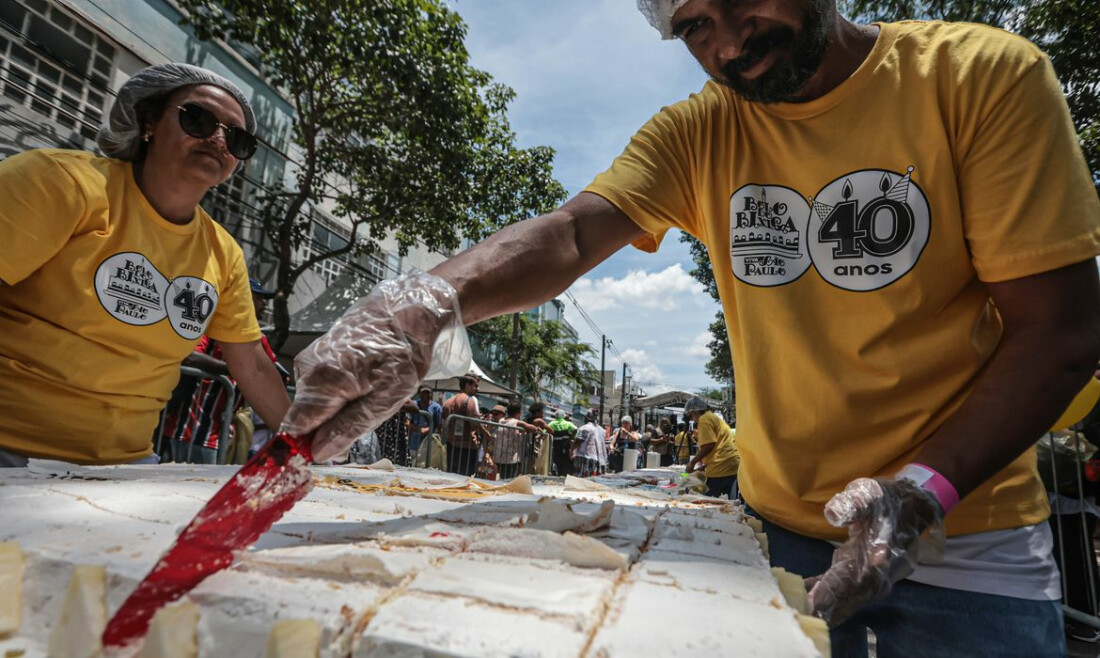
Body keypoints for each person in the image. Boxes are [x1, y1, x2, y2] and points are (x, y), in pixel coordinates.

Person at [282, 1, 1100, 653]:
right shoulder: (700, 130)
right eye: (694, 26)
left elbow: (1058, 333)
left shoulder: (979, 78)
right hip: (774, 538)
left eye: (740, 1)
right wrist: (421, 304)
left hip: (968, 543)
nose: (729, 44)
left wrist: (921, 494)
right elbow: (570, 235)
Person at [0, 63, 290, 468]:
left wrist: (311, 445)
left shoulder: (224, 253)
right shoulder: (62, 182)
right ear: (149, 122)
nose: (218, 139)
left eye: (237, 139)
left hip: (128, 467)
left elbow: (254, 365)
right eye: (199, 118)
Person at [169, 277, 285, 464]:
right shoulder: (210, 325)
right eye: (259, 297)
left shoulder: (256, 337)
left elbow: (273, 372)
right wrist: (237, 370)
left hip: (223, 433)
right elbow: (190, 356)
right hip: (193, 431)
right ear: (244, 298)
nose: (264, 303)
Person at [683, 397, 740, 499]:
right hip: (732, 462)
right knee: (730, 503)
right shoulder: (713, 417)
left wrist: (692, 462)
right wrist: (703, 466)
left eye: (691, 415)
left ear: (695, 412)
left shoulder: (704, 419)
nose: (692, 419)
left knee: (707, 500)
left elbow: (709, 445)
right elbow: (718, 444)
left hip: (721, 464)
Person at [441, 374, 490, 476]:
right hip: (467, 447)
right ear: (467, 385)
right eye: (475, 386)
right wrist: (485, 433)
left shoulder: (448, 402)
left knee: (451, 475)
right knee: (466, 478)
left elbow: (443, 424)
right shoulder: (469, 400)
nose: (478, 389)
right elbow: (475, 422)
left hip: (451, 445)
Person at [407, 385, 443, 456]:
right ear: (419, 394)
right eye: (423, 393)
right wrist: (420, 430)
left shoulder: (436, 408)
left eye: (428, 393)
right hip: (414, 443)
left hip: (429, 443)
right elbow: (407, 422)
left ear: (431, 394)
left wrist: (439, 440)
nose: (425, 395)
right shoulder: (413, 405)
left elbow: (439, 426)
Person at [574, 409, 608, 477]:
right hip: (600, 460)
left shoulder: (585, 428)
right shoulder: (602, 430)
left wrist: (572, 450)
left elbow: (579, 441)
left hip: (587, 458)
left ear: (587, 418)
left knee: (584, 481)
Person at [547, 409, 578, 477]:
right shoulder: (568, 424)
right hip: (565, 448)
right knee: (566, 464)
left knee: (557, 463)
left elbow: (544, 432)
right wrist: (572, 437)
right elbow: (575, 429)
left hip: (555, 448)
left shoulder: (551, 424)